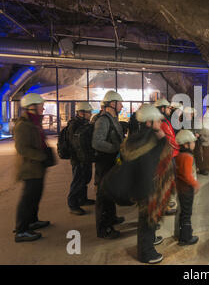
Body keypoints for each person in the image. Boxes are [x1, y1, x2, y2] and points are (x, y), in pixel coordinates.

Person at [116, 104, 175, 264]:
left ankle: (149, 241)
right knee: (147, 220)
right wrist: (162, 138)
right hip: (148, 189)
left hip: (147, 188)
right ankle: (146, 252)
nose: (159, 123)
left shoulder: (142, 137)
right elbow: (154, 162)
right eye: (156, 121)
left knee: (149, 220)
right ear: (149, 122)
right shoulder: (146, 140)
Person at [13, 93, 54, 242]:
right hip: (30, 168)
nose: (43, 107)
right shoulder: (23, 125)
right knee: (27, 199)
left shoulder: (34, 122)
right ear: (32, 107)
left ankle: (32, 221)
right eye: (40, 105)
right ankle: (21, 230)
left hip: (38, 167)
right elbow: (22, 148)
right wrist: (42, 156)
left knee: (36, 196)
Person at [92, 90, 125, 239]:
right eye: (120, 103)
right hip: (104, 163)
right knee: (103, 195)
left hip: (111, 161)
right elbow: (96, 142)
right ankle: (103, 229)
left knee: (110, 191)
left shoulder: (113, 118)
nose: (122, 105)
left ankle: (111, 218)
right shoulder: (103, 120)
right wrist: (115, 148)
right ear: (112, 104)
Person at [67, 102, 95, 215]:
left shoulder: (84, 123)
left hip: (85, 157)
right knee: (77, 180)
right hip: (78, 158)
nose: (90, 115)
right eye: (89, 112)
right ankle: (73, 204)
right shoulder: (74, 125)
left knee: (85, 179)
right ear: (82, 113)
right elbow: (75, 144)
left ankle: (82, 199)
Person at [174, 130, 200, 245]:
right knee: (187, 213)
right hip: (186, 189)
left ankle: (184, 233)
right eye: (192, 142)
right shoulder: (187, 156)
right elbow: (187, 175)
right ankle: (186, 237)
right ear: (186, 144)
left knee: (184, 212)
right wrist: (195, 184)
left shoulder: (179, 154)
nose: (194, 144)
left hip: (181, 188)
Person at [155, 98, 179, 215]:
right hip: (168, 156)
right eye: (168, 108)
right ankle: (165, 206)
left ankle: (166, 203)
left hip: (169, 155)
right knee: (166, 181)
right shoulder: (163, 122)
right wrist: (180, 148)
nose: (170, 110)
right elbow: (170, 140)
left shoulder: (165, 120)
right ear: (162, 109)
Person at [184, 106, 208, 175]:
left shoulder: (195, 120)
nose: (191, 115)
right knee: (189, 156)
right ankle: (189, 170)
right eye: (189, 113)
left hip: (196, 141)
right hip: (188, 141)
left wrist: (198, 134)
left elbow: (200, 128)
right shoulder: (184, 122)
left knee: (198, 155)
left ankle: (201, 169)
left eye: (191, 113)